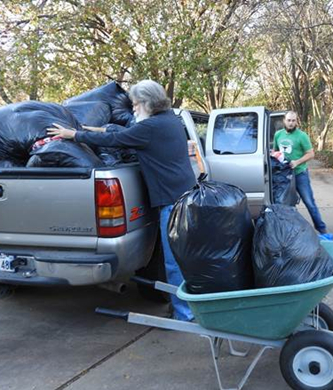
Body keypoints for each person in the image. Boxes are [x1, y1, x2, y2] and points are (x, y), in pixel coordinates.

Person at [47, 80, 196, 321]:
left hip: (172, 203)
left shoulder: (150, 128)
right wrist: (91, 129)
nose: (134, 108)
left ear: (147, 102)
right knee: (182, 258)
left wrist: (72, 134)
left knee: (173, 263)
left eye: (136, 104)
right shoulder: (169, 120)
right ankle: (189, 307)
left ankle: (185, 315)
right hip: (183, 197)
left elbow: (116, 140)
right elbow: (121, 133)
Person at [273, 111, 328, 235]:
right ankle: (289, 233)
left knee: (309, 202)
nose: (291, 123)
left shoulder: (302, 136)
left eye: (293, 120)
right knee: (285, 204)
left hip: (299, 174)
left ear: (297, 121)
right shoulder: (278, 135)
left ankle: (322, 230)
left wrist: (297, 162)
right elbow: (276, 151)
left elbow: (311, 154)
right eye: (289, 120)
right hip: (284, 176)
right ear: (284, 120)